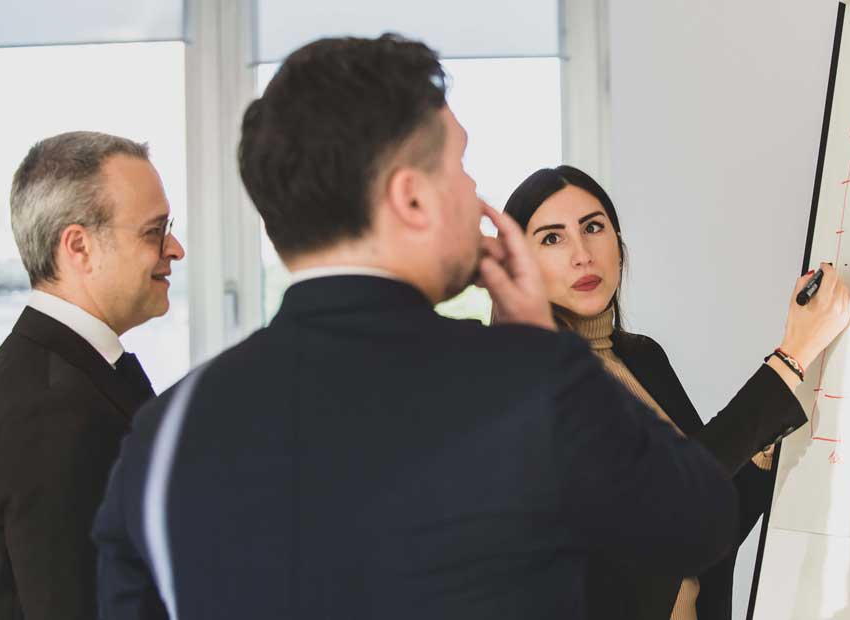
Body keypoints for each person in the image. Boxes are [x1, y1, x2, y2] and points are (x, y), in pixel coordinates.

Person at [93, 35, 741, 620]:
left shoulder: (161, 436)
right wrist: (542, 345)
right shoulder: (531, 385)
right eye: (460, 166)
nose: (474, 190)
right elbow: (702, 520)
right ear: (410, 198)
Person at [502, 165, 850, 620]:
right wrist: (790, 358)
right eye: (552, 238)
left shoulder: (643, 358)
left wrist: (763, 447)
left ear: (619, 243)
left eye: (593, 227)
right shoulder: (531, 385)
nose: (582, 255)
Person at [0, 131, 185, 620]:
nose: (176, 248)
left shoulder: (58, 375)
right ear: (78, 247)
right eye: (154, 231)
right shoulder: (54, 409)